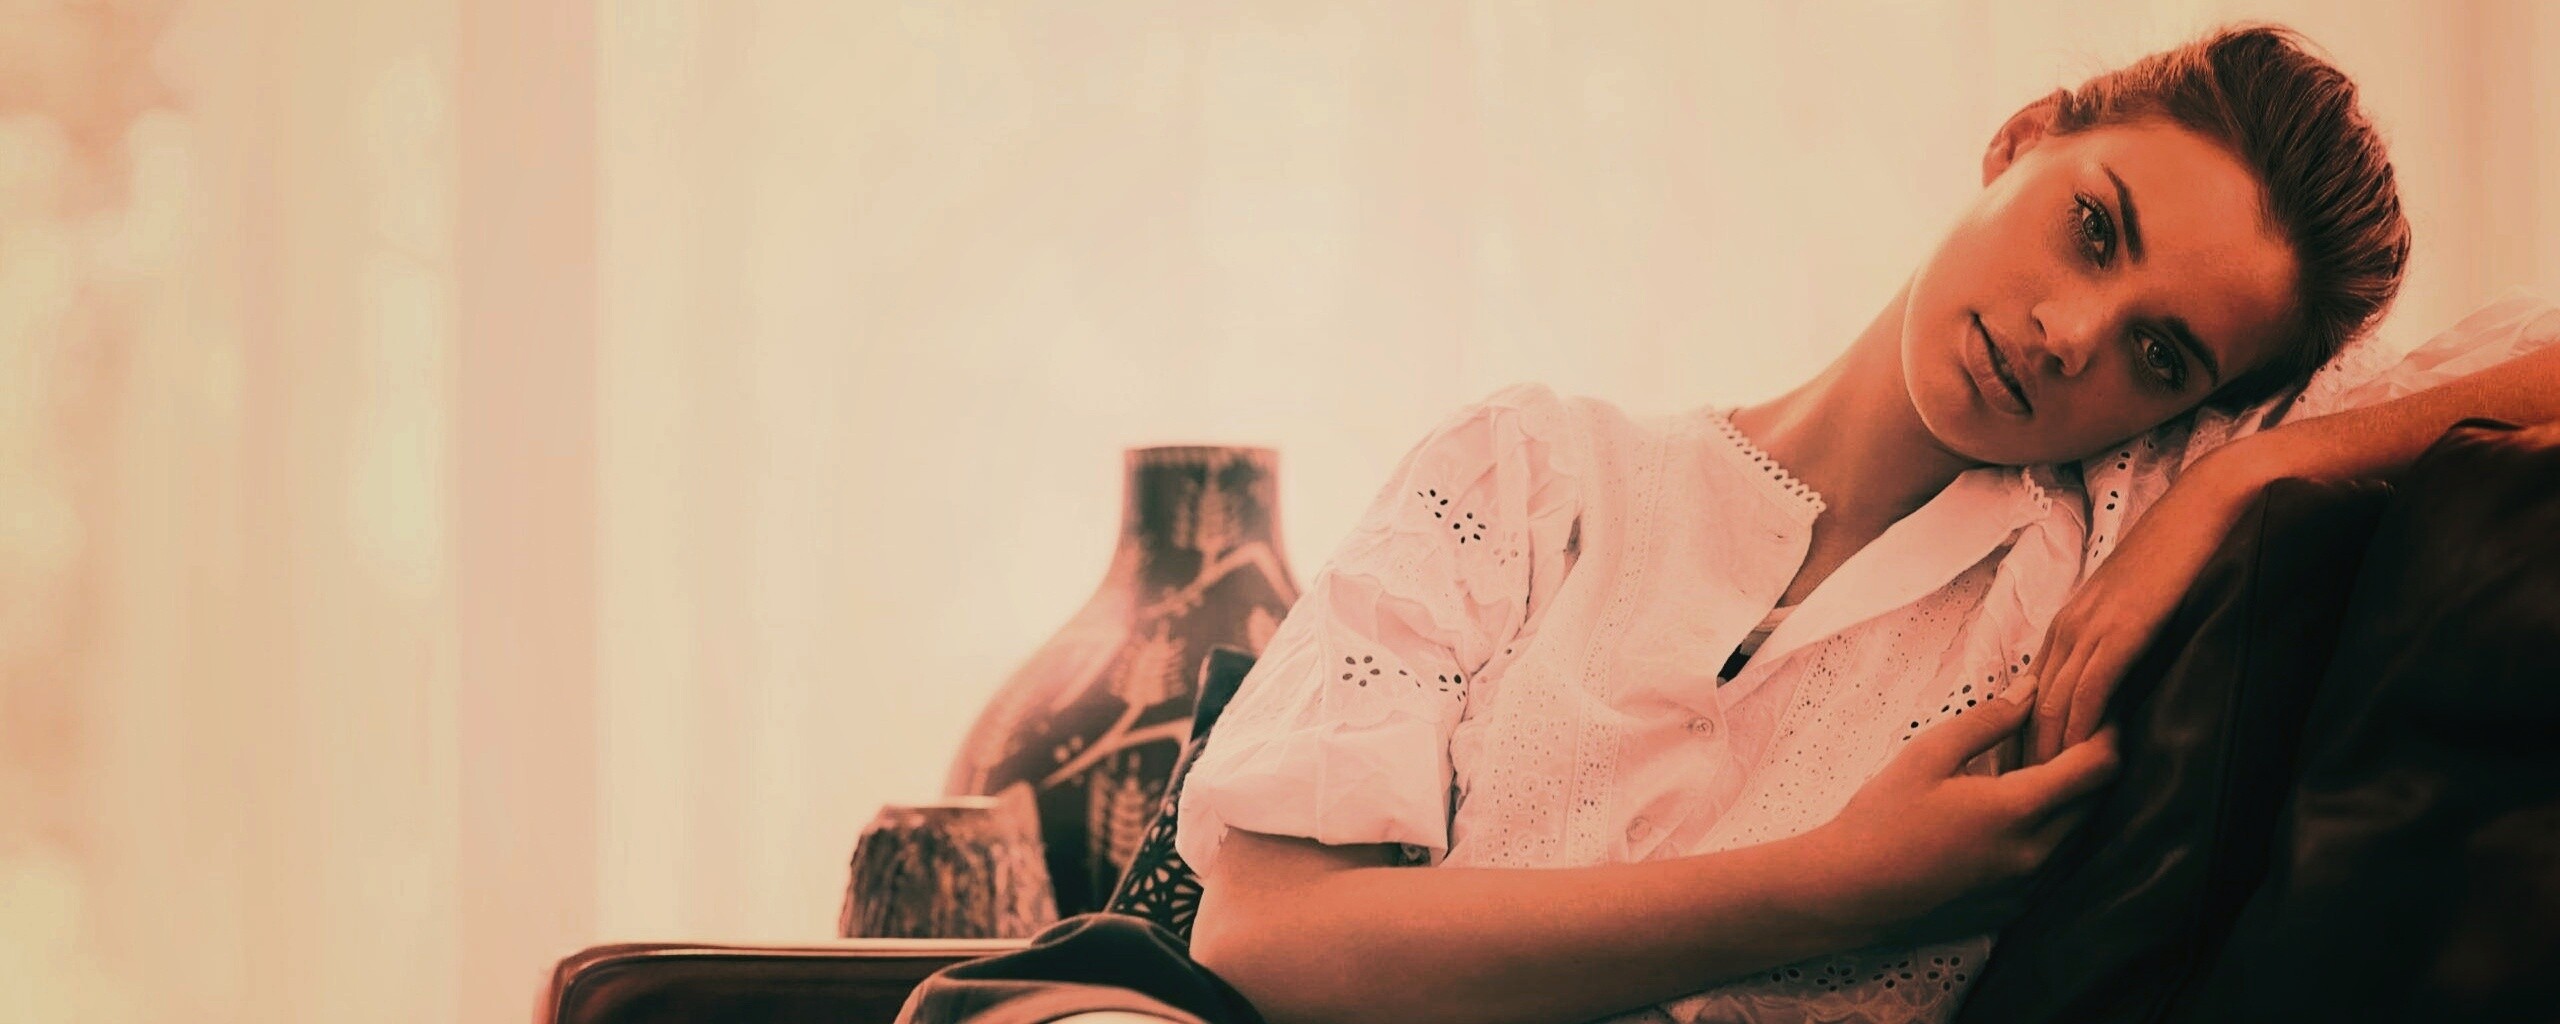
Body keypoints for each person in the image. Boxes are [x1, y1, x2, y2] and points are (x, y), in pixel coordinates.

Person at [897, 23, 2560, 1024]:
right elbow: (1271, 939)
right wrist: (1834, 888)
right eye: (2093, 227)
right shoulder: (1531, 469)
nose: (2075, 334)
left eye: (2163, 354)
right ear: (2020, 142)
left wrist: (2247, 480)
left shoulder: (2114, 529)